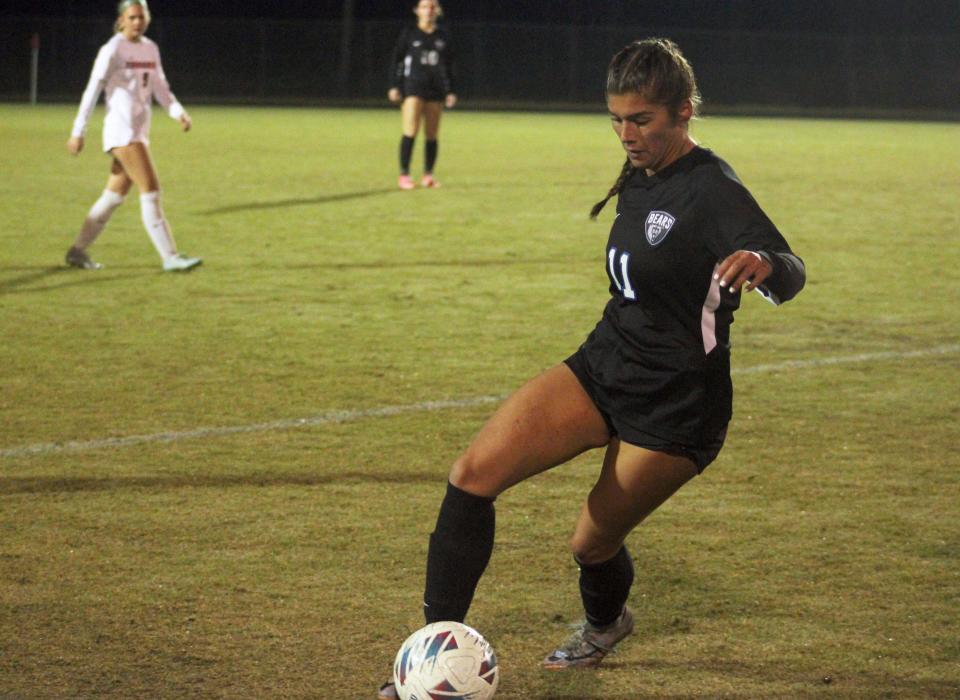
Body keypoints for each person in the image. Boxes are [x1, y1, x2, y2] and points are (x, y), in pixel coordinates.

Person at [377, 37, 806, 699]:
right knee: (470, 477)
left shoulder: (712, 187)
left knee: (590, 543)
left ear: (684, 113)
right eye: (616, 119)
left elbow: (788, 266)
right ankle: (433, 657)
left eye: (642, 120)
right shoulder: (641, 170)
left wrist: (767, 266)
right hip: (605, 363)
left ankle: (606, 623)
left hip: (675, 403)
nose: (626, 134)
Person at [65, 0, 201, 272]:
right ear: (121, 20)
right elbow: (92, 90)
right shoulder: (112, 49)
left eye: (141, 17)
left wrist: (178, 112)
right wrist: (78, 132)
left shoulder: (151, 49)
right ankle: (170, 256)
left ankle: (77, 251)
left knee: (113, 196)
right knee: (151, 189)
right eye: (132, 17)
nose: (137, 22)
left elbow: (161, 87)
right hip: (121, 132)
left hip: (139, 131)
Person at [387, 0, 457, 190]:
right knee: (411, 130)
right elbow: (397, 60)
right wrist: (394, 86)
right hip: (413, 88)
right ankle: (404, 175)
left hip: (436, 90)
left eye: (433, 7)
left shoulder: (443, 36)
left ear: (438, 11)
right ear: (417, 11)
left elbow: (449, 65)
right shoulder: (410, 33)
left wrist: (451, 90)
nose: (429, 10)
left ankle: (428, 175)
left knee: (432, 134)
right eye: (425, 7)